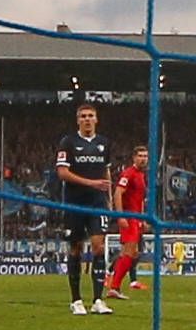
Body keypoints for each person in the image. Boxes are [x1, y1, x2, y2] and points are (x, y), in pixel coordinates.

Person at [56, 103, 114, 315]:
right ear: (78, 120)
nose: (87, 119)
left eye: (91, 116)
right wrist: (91, 183)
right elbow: (62, 173)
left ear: (96, 119)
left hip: (97, 203)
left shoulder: (104, 143)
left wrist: (110, 201)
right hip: (74, 202)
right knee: (76, 249)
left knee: (99, 247)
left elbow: (106, 173)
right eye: (83, 116)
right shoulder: (68, 142)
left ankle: (98, 299)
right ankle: (76, 300)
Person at [105, 145, 149, 298]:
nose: (143, 159)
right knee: (129, 252)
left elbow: (140, 199)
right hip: (129, 217)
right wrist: (120, 216)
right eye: (141, 156)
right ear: (134, 158)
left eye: (145, 156)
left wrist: (143, 218)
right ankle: (114, 286)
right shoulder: (129, 173)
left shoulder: (141, 175)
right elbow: (118, 193)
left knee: (131, 253)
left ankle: (111, 281)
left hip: (136, 218)